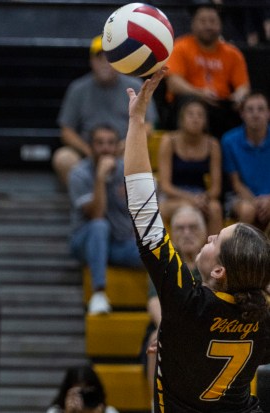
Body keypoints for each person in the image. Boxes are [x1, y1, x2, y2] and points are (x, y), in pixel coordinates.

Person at [125, 67, 270, 412]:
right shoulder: (262, 316)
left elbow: (144, 209)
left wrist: (136, 121)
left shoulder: (187, 301)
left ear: (219, 271)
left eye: (215, 240)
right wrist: (182, 345)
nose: (209, 235)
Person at [52, 35, 158, 186]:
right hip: (88, 154)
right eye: (99, 58)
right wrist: (89, 150)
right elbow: (66, 131)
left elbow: (149, 126)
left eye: (110, 59)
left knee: (148, 177)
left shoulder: (135, 85)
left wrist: (125, 146)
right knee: (63, 158)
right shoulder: (78, 89)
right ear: (91, 61)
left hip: (123, 152)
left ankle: (123, 206)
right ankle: (85, 202)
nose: (105, 64)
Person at [68, 124, 144, 315]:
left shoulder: (126, 170)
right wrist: (100, 178)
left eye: (110, 143)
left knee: (155, 249)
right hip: (85, 242)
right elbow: (97, 214)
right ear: (90, 146)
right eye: (100, 143)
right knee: (100, 227)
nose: (105, 148)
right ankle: (99, 294)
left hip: (119, 244)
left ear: (117, 146)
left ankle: (165, 301)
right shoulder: (79, 173)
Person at [142, 205, 207, 403]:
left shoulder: (214, 260)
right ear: (172, 233)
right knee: (158, 336)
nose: (187, 233)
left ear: (204, 231)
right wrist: (176, 328)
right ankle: (157, 404)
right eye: (180, 228)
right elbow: (154, 302)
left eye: (193, 227)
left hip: (206, 324)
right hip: (171, 324)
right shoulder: (164, 263)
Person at [165, 3, 250, 139]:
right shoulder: (180, 47)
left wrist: (238, 96)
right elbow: (174, 83)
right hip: (189, 102)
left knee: (246, 107)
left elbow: (244, 87)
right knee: (190, 104)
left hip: (221, 105)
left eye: (212, 21)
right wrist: (199, 93)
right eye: (203, 21)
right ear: (193, 24)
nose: (208, 26)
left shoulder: (233, 53)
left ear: (220, 24)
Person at [157, 98, 223, 235]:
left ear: (205, 121)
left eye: (200, 115)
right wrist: (191, 199)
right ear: (181, 119)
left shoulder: (213, 144)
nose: (195, 119)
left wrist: (202, 198)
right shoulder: (169, 141)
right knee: (181, 207)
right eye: (190, 114)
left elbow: (216, 189)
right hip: (173, 196)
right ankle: (174, 254)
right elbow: (165, 186)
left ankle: (213, 253)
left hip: (201, 196)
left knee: (215, 208)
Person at [221, 92, 270, 231]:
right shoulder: (229, 140)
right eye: (250, 109)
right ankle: (244, 252)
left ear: (268, 113)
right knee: (247, 210)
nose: (255, 114)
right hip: (240, 197)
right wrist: (256, 203)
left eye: (261, 109)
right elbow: (236, 183)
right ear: (242, 114)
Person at [46, 365, 119, 413]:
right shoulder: (55, 411)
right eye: (79, 393)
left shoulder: (109, 411)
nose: (84, 398)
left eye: (88, 393)